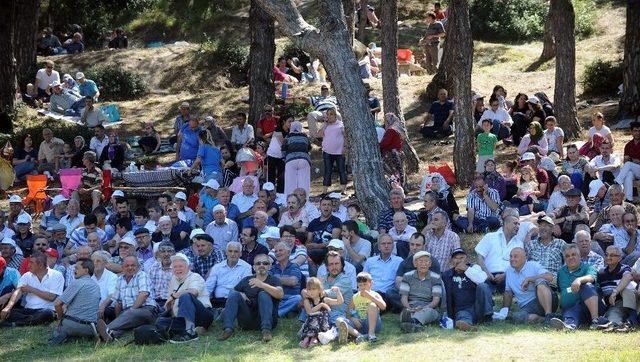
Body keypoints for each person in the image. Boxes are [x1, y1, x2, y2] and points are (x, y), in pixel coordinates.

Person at [218, 254, 284, 343]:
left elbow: (280, 294)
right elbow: (232, 293)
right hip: (247, 320)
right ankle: (228, 329)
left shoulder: (274, 280)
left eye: (265, 263)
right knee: (234, 294)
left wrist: (262, 285)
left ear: (269, 266)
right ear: (254, 267)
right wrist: (241, 295)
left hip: (268, 319)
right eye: (258, 263)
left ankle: (266, 331)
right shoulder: (246, 280)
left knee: (263, 294)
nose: (261, 265)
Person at [96, 256, 158, 342]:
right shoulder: (120, 280)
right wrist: (120, 318)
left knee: (131, 313)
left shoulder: (142, 275)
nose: (130, 268)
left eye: (133, 265)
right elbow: (118, 303)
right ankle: (109, 336)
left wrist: (130, 311)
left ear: (138, 267)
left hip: (147, 310)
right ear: (122, 268)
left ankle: (104, 329)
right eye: (127, 266)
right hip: (129, 314)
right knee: (124, 325)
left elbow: (144, 294)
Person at [549, 244, 609, 330]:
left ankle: (595, 321)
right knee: (571, 312)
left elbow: (591, 277)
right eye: (567, 256)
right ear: (564, 259)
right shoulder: (561, 272)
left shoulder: (588, 268)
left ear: (579, 256)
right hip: (571, 309)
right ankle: (569, 326)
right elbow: (560, 292)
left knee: (587, 285)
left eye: (573, 254)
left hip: (590, 308)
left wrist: (579, 280)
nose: (571, 257)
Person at [0, 252, 63, 327]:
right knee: (10, 312)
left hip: (47, 309)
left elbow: (51, 297)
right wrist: (8, 307)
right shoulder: (27, 275)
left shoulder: (57, 275)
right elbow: (18, 292)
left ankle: (17, 324)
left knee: (47, 314)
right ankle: (31, 320)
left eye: (31, 263)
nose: (28, 265)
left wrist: (31, 289)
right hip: (29, 310)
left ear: (40, 265)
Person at [162, 253, 214, 343]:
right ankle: (192, 329)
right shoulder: (173, 280)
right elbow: (171, 305)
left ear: (188, 267)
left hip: (202, 315)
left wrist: (174, 295)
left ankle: (190, 333)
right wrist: (169, 306)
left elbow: (194, 292)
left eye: (180, 266)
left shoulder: (195, 276)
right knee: (160, 322)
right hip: (182, 317)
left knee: (186, 296)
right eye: (175, 267)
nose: (177, 269)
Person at [49, 259, 101, 346]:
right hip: (90, 328)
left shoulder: (78, 282)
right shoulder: (96, 286)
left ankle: (58, 339)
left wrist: (60, 319)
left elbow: (57, 304)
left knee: (58, 331)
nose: (74, 271)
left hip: (72, 325)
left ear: (86, 270)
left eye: (77, 268)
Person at [502, 247, 556, 325]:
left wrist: (530, 279)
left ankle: (549, 315)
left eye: (515, 256)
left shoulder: (533, 265)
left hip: (545, 300)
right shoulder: (509, 271)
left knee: (539, 281)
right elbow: (508, 293)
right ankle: (544, 319)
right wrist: (504, 312)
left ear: (525, 257)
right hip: (526, 307)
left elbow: (550, 277)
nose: (512, 259)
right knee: (518, 317)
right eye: (511, 256)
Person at [475, 214, 523, 294]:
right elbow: (480, 257)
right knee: (482, 288)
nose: (518, 226)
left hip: (508, 276)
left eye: (519, 224)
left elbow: (519, 265)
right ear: (505, 224)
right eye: (515, 223)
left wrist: (505, 275)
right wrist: (487, 273)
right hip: (488, 275)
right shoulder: (490, 237)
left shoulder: (519, 243)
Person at [335, 272, 385, 344]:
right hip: (359, 324)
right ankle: (360, 336)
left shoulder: (375, 294)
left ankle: (371, 334)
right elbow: (348, 313)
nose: (363, 287)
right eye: (360, 285)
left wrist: (370, 297)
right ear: (357, 286)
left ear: (371, 283)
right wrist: (353, 319)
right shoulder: (355, 297)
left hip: (373, 324)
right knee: (339, 320)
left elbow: (383, 307)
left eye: (365, 284)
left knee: (372, 305)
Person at [399, 251, 443, 333]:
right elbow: (404, 297)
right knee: (405, 312)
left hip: (428, 306)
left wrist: (423, 308)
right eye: (421, 261)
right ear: (415, 264)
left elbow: (436, 300)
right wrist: (409, 308)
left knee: (428, 313)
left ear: (430, 264)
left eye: (426, 261)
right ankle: (411, 323)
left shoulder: (436, 277)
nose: (424, 264)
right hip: (411, 306)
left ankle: (412, 322)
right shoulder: (407, 276)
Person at [598, 245, 637, 328]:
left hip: (623, 301)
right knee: (609, 313)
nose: (608, 257)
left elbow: (628, 276)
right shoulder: (601, 273)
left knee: (614, 313)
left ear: (619, 258)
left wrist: (615, 292)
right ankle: (612, 322)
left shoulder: (624, 268)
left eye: (612, 255)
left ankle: (613, 322)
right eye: (606, 254)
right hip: (609, 304)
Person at [299, 277, 343, 348]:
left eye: (314, 289)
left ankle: (313, 338)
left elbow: (339, 302)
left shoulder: (324, 300)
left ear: (319, 290)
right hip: (309, 325)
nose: (311, 291)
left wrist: (338, 292)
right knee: (313, 316)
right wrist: (321, 305)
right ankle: (307, 338)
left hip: (322, 325)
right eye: (309, 289)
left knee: (319, 315)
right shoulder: (307, 301)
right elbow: (309, 312)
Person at [206, 242, 252, 308]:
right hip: (218, 301)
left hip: (236, 301)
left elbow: (246, 288)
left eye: (236, 251)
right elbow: (208, 287)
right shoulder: (217, 267)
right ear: (226, 253)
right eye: (230, 251)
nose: (232, 254)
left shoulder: (246, 267)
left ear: (240, 254)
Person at [363, 234, 403, 310]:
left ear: (393, 246)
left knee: (390, 293)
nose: (386, 246)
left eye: (389, 243)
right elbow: (364, 279)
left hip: (387, 294)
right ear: (378, 247)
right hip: (372, 293)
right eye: (383, 243)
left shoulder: (399, 261)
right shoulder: (370, 261)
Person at [318, 107, 347, 194]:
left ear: (335, 115)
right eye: (328, 114)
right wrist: (325, 124)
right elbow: (319, 134)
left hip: (339, 152)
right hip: (327, 152)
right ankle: (324, 190)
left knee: (342, 170)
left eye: (331, 114)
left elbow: (346, 137)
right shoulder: (326, 125)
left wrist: (345, 147)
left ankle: (343, 189)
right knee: (327, 170)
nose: (329, 116)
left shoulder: (341, 125)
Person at [270, 242, 302, 317]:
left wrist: (274, 279)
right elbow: (267, 281)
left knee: (298, 298)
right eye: (276, 251)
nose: (277, 253)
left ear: (288, 253)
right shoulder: (273, 268)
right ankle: (285, 312)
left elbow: (293, 281)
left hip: (290, 299)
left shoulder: (294, 267)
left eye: (280, 250)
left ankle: (277, 313)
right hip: (276, 299)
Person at [306, 197, 343, 265]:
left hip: (328, 249)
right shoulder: (313, 222)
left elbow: (334, 241)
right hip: (313, 249)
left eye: (329, 205)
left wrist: (317, 246)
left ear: (332, 208)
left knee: (311, 253)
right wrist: (308, 245)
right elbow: (309, 239)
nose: (326, 207)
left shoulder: (336, 221)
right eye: (324, 205)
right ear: (320, 207)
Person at [282, 121, 312, 196]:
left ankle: (290, 201)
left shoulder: (288, 137)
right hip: (304, 160)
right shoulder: (305, 136)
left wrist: (284, 158)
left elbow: (283, 149)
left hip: (290, 160)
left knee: (290, 183)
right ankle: (305, 201)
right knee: (304, 182)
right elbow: (309, 148)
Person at [614, 122, 640, 202]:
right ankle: (629, 199)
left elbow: (628, 162)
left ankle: (617, 182)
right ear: (631, 132)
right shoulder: (628, 145)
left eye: (639, 131)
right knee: (628, 174)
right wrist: (632, 161)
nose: (638, 133)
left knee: (629, 164)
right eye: (635, 131)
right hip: (634, 170)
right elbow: (625, 161)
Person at [379, 113, 406, 185]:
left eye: (386, 120)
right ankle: (402, 187)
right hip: (399, 153)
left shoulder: (391, 130)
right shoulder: (399, 129)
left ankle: (396, 187)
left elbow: (385, 143)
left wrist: (377, 146)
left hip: (392, 155)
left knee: (393, 173)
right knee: (400, 172)